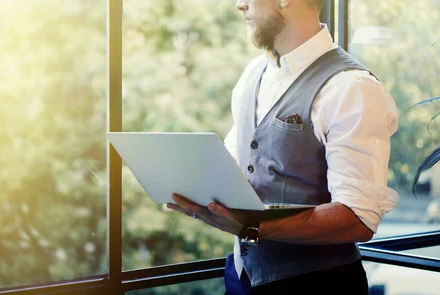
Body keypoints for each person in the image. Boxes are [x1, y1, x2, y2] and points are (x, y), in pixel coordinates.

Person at [166, 0, 400, 294]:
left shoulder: (352, 87)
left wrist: (253, 227)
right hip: (241, 279)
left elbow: (358, 218)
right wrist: (192, 191)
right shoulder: (253, 74)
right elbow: (239, 167)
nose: (240, 5)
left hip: (319, 286)